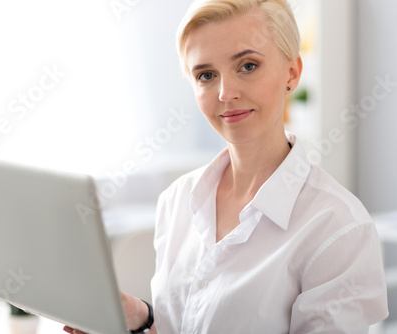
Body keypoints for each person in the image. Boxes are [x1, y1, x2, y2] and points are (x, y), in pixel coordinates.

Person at [64, 0, 389, 333]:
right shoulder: (177, 201)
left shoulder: (338, 228)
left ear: (292, 72)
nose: (225, 93)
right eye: (206, 75)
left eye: (248, 66)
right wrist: (142, 320)